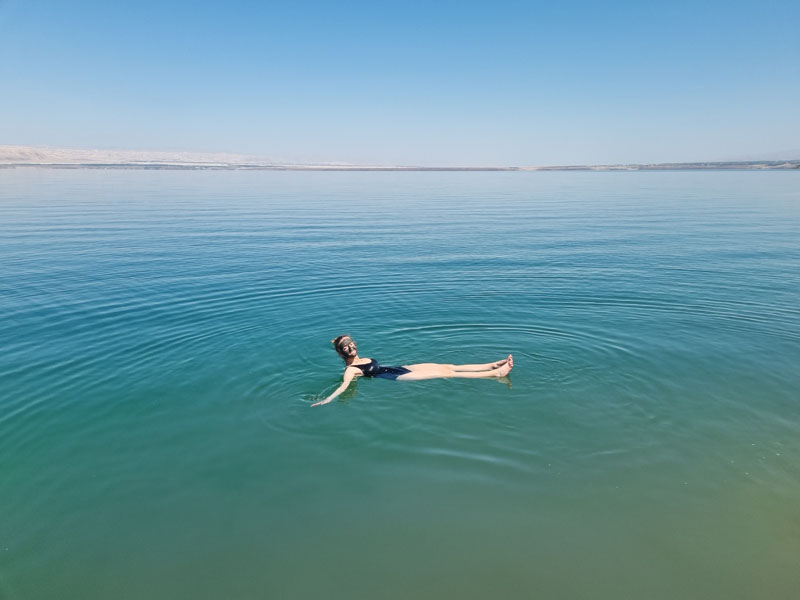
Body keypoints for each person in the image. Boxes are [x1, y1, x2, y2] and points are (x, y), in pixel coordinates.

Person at [311, 335, 513, 407]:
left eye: (351, 343)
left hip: (398, 367)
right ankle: (496, 374)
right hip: (396, 376)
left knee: (448, 366)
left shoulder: (362, 358)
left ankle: (492, 364)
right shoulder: (350, 370)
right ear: (341, 353)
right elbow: (344, 386)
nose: (350, 347)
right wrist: (327, 399)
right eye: (345, 347)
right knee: (447, 373)